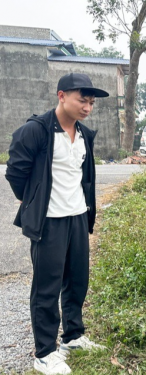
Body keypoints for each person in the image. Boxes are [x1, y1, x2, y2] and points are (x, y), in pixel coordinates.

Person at [5, 73, 107, 375]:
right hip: (49, 221)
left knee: (77, 281)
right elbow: (15, 173)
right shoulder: (35, 131)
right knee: (46, 288)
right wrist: (30, 201)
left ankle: (73, 336)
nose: (87, 107)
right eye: (81, 100)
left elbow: (84, 177)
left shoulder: (85, 134)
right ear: (61, 96)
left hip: (77, 216)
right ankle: (44, 352)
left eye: (91, 102)